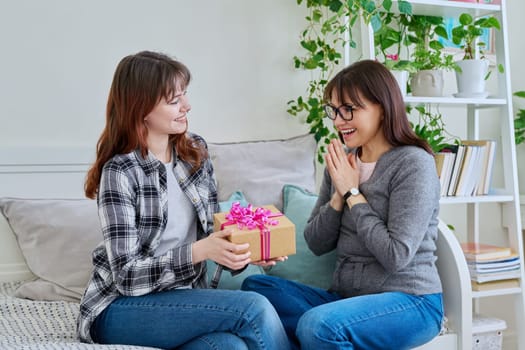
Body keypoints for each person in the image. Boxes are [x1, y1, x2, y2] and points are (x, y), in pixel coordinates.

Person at [78, 50, 290, 350]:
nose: (187, 106)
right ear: (142, 108)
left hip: (182, 300)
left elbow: (213, 237)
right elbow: (127, 277)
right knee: (254, 307)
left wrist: (244, 253)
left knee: (230, 347)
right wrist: (198, 251)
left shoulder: (195, 154)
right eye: (174, 100)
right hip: (119, 308)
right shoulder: (121, 171)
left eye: (184, 95)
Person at [241, 59, 444, 350]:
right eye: (334, 111)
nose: (338, 121)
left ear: (383, 108)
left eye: (349, 109)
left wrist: (352, 192)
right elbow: (316, 242)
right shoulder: (343, 162)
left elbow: (396, 255)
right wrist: (338, 196)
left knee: (318, 325)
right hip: (345, 301)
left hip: (410, 301)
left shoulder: (414, 164)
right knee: (255, 294)